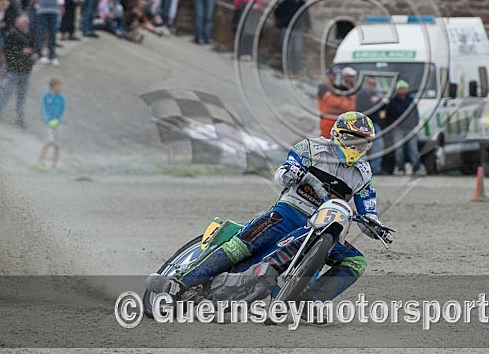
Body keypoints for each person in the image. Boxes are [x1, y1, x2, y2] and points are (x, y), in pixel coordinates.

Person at [147, 111, 390, 304]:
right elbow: (282, 173)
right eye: (353, 140)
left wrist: (376, 227)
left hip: (327, 224)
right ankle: (178, 283)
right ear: (338, 134)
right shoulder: (311, 148)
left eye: (364, 144)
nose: (357, 148)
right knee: (239, 245)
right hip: (290, 211)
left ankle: (311, 303)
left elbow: (368, 208)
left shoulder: (363, 172)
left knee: (356, 262)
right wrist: (291, 172)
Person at [0, 14, 36, 128]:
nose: (26, 25)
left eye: (27, 23)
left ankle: (20, 118)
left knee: (22, 96)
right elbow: (8, 51)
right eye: (24, 23)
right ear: (19, 24)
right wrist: (22, 52)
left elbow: (35, 48)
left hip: (26, 70)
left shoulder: (29, 35)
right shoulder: (12, 34)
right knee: (6, 93)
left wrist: (32, 53)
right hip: (14, 70)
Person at [23, 0, 65, 64]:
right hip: (42, 11)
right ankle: (40, 54)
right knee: (41, 33)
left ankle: (52, 55)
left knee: (52, 33)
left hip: (53, 11)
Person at [273, 0, 309, 76]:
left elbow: (306, 16)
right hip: (287, 28)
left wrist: (308, 28)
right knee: (286, 50)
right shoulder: (286, 1)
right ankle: (287, 71)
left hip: (298, 30)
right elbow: (277, 11)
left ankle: (295, 71)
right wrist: (281, 21)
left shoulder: (303, 3)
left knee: (297, 51)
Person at [386, 80, 420, 175]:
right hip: (398, 129)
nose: (402, 90)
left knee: (413, 149)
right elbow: (389, 116)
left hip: (410, 128)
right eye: (400, 88)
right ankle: (400, 168)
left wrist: (415, 124)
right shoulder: (393, 101)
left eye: (404, 88)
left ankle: (416, 168)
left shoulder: (411, 100)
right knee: (399, 150)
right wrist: (393, 125)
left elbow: (415, 114)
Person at [356, 76, 386, 174]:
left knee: (378, 147)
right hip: (363, 125)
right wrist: (372, 102)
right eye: (370, 83)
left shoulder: (375, 95)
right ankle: (362, 169)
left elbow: (383, 105)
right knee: (363, 148)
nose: (372, 86)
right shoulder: (361, 94)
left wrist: (378, 101)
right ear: (366, 83)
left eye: (374, 84)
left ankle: (376, 169)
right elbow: (362, 108)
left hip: (374, 124)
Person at [319, 67, 357, 137]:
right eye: (333, 75)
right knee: (327, 141)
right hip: (329, 120)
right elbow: (335, 102)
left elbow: (350, 105)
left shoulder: (337, 88)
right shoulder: (324, 88)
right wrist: (345, 100)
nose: (334, 78)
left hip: (338, 121)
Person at [38, 77, 65, 170]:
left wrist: (59, 119)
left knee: (57, 145)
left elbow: (63, 110)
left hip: (58, 124)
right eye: (58, 86)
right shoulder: (46, 97)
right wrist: (47, 120)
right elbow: (43, 109)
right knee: (49, 141)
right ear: (53, 87)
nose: (60, 88)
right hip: (49, 124)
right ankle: (40, 162)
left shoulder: (61, 98)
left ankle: (54, 165)